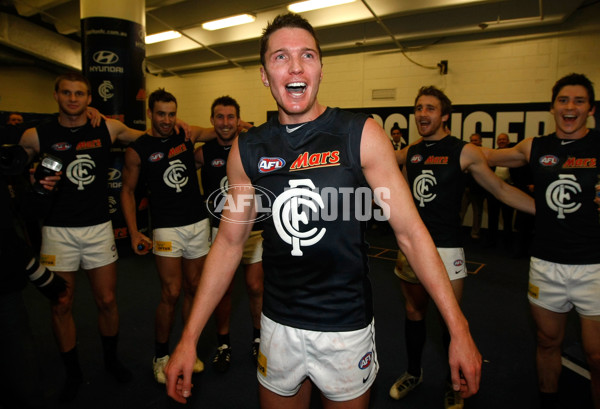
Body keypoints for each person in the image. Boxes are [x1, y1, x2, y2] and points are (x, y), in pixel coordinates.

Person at [165, 13, 482, 409]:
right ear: (265, 74)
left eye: (307, 55)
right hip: (278, 326)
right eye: (281, 57)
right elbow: (229, 244)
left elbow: (411, 234)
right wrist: (189, 337)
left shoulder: (359, 134)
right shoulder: (247, 150)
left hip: (345, 328)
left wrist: (459, 328)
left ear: (320, 68)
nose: (295, 66)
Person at [389, 86, 535, 409]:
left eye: (430, 108)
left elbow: (499, 188)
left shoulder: (464, 151)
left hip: (447, 250)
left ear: (444, 115)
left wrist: (544, 210)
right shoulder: (411, 151)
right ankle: (414, 372)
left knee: (449, 319)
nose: (422, 114)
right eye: (418, 108)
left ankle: (453, 384)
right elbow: (374, 159)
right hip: (413, 247)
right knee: (413, 312)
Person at [17, 72, 151, 402]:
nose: (73, 99)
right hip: (57, 231)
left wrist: (188, 130)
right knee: (60, 302)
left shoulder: (106, 128)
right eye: (67, 93)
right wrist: (33, 183)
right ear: (56, 95)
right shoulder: (36, 135)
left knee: (106, 300)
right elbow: (14, 171)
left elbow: (149, 137)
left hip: (97, 228)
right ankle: (73, 373)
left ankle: (110, 360)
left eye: (80, 93)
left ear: (90, 98)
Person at [484, 73, 599, 409]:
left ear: (590, 109)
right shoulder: (535, 147)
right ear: (552, 107)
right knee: (548, 341)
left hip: (594, 265)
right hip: (547, 263)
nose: (570, 107)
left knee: (596, 355)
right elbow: (486, 157)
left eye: (579, 101)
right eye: (563, 100)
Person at [120, 88, 218, 384]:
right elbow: (126, 191)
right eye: (161, 113)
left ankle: (187, 348)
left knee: (193, 288)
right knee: (171, 293)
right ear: (150, 113)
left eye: (171, 113)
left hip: (197, 222)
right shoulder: (137, 149)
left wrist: (243, 126)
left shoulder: (185, 135)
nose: (166, 119)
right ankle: (161, 354)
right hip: (165, 227)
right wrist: (135, 230)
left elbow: (218, 131)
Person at [195, 95, 263, 373]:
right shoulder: (203, 153)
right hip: (220, 232)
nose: (225, 123)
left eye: (231, 117)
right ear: (212, 120)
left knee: (257, 287)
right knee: (222, 291)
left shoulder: (251, 147)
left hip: (254, 230)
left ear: (239, 119)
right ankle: (223, 344)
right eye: (220, 117)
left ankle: (259, 339)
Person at [0, 143, 64, 409]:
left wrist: (40, 190)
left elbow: (23, 215)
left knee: (19, 353)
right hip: (10, 272)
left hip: (6, 286)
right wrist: (41, 276)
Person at [485, 133, 515, 247]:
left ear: (508, 141)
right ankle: (491, 241)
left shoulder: (512, 154)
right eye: (499, 139)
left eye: (504, 139)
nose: (501, 141)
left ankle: (508, 242)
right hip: (493, 191)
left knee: (507, 218)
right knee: (492, 217)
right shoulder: (492, 155)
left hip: (509, 189)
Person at [459, 133, 486, 239]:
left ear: (480, 142)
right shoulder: (466, 154)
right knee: (460, 211)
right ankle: (456, 231)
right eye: (472, 140)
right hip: (465, 189)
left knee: (477, 213)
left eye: (476, 140)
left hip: (478, 190)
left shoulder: (484, 154)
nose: (474, 142)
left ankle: (475, 232)